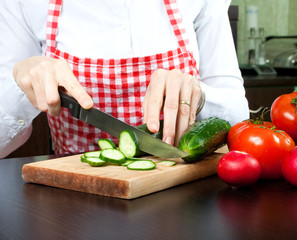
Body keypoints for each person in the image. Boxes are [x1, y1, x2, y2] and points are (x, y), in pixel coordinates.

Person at [0, 0, 249, 158]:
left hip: (182, 193)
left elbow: (240, 119)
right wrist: (21, 85)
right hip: (74, 201)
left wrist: (201, 97)